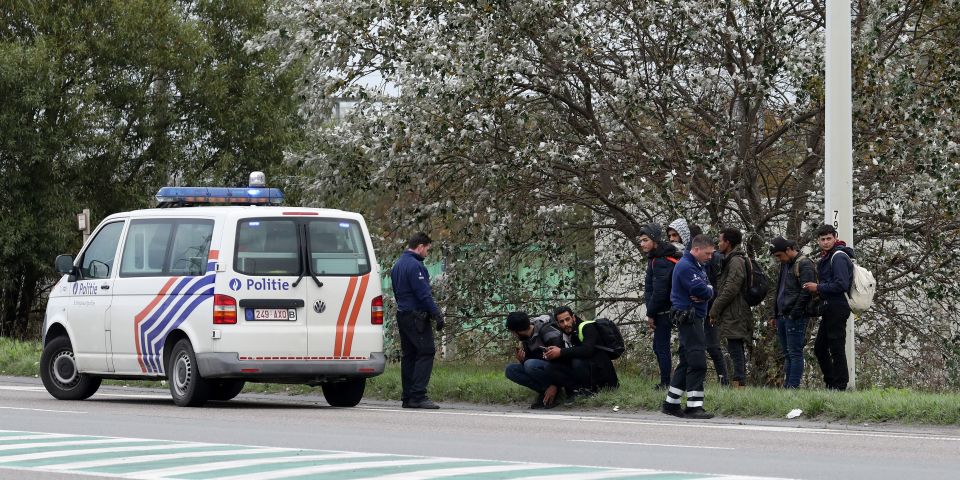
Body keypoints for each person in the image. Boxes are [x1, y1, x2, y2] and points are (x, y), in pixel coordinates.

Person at [661, 234, 715, 419]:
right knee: (697, 361)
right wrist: (707, 290)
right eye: (707, 253)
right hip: (689, 318)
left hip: (695, 317)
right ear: (697, 249)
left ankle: (671, 403)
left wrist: (708, 289)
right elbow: (700, 289)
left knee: (685, 361)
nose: (710, 257)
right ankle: (694, 406)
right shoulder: (686, 266)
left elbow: (708, 287)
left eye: (712, 253)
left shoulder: (697, 265)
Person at [391, 232, 444, 409]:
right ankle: (418, 396)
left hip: (403, 314)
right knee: (426, 351)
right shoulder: (415, 266)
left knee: (410, 356)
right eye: (427, 249)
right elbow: (423, 294)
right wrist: (436, 314)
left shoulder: (397, 265)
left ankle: (407, 397)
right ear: (420, 246)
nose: (427, 253)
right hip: (416, 317)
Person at [803, 224, 855, 390]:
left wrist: (818, 288)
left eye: (828, 239)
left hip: (837, 307)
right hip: (829, 307)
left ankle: (840, 385)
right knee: (820, 348)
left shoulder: (838, 257)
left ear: (835, 238)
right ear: (818, 241)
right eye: (822, 239)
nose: (825, 242)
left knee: (836, 346)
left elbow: (841, 284)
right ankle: (831, 383)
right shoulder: (828, 256)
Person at [544, 306, 618, 403]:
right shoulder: (564, 336)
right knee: (551, 367)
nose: (565, 324)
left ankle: (589, 391)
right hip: (588, 372)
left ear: (573, 318)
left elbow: (587, 350)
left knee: (576, 360)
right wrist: (551, 355)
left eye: (567, 319)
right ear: (558, 324)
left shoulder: (587, 327)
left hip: (603, 376)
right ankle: (578, 391)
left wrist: (561, 352)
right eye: (561, 322)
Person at [770, 236, 817, 388]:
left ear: (789, 250)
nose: (779, 259)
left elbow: (806, 293)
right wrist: (775, 314)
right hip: (783, 316)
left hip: (795, 316)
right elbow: (780, 291)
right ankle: (788, 387)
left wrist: (794, 313)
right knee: (787, 354)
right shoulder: (786, 264)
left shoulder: (804, 264)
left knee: (795, 353)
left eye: (779, 255)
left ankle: (792, 387)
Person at [640, 223, 681, 390]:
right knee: (658, 346)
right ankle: (667, 381)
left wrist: (650, 313)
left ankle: (666, 383)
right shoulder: (655, 257)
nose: (641, 243)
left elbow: (659, 291)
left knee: (661, 346)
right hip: (662, 309)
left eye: (645, 240)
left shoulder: (660, 260)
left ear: (655, 240)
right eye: (641, 240)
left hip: (664, 310)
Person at [689, 224, 729, 386]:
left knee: (712, 347)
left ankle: (723, 382)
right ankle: (711, 381)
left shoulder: (710, 259)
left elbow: (716, 283)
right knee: (700, 347)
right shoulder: (693, 261)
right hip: (704, 306)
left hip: (708, 307)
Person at [504, 311, 564, 409]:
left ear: (517, 331)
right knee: (510, 370)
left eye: (512, 333)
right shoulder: (525, 338)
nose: (513, 335)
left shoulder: (546, 331)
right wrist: (522, 360)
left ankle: (555, 390)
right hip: (543, 366)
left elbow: (562, 358)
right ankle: (545, 392)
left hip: (559, 368)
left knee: (530, 364)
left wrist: (555, 385)